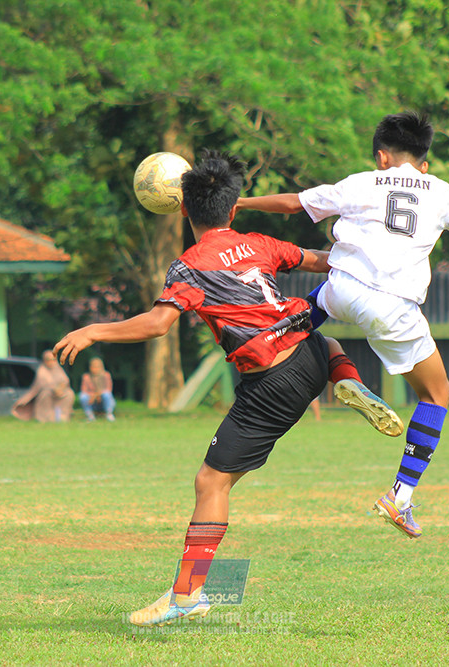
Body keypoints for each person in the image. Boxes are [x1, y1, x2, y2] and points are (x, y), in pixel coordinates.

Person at [54, 149, 403, 627]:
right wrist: (374, 261)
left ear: (182, 209)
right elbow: (319, 260)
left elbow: (158, 324)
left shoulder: (191, 265)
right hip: (310, 352)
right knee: (328, 342)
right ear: (233, 209)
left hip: (271, 381)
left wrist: (95, 330)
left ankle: (187, 593)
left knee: (210, 482)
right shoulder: (260, 243)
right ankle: (346, 380)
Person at [237, 111, 449, 539]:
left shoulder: (361, 182)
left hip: (342, 286)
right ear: (424, 161)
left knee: (309, 313)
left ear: (382, 157)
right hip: (393, 309)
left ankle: (298, 351)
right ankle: (399, 498)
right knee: (437, 393)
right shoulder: (441, 191)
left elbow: (293, 204)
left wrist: (238, 205)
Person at [11, 350, 74, 422]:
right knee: (46, 394)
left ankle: (63, 416)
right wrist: (55, 389)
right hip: (47, 394)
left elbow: (65, 381)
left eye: (53, 360)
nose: (51, 362)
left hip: (59, 393)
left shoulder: (58, 369)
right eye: (49, 360)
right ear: (45, 361)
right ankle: (45, 418)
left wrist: (60, 388)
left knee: (69, 393)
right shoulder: (42, 370)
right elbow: (44, 384)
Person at [79, 357, 116, 422]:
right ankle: (90, 415)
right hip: (92, 402)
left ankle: (109, 414)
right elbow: (84, 390)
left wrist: (97, 395)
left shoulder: (106, 375)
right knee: (83, 396)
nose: (95, 369)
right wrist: (93, 396)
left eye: (97, 367)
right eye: (93, 367)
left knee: (107, 394)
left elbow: (108, 389)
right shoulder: (86, 377)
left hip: (103, 400)